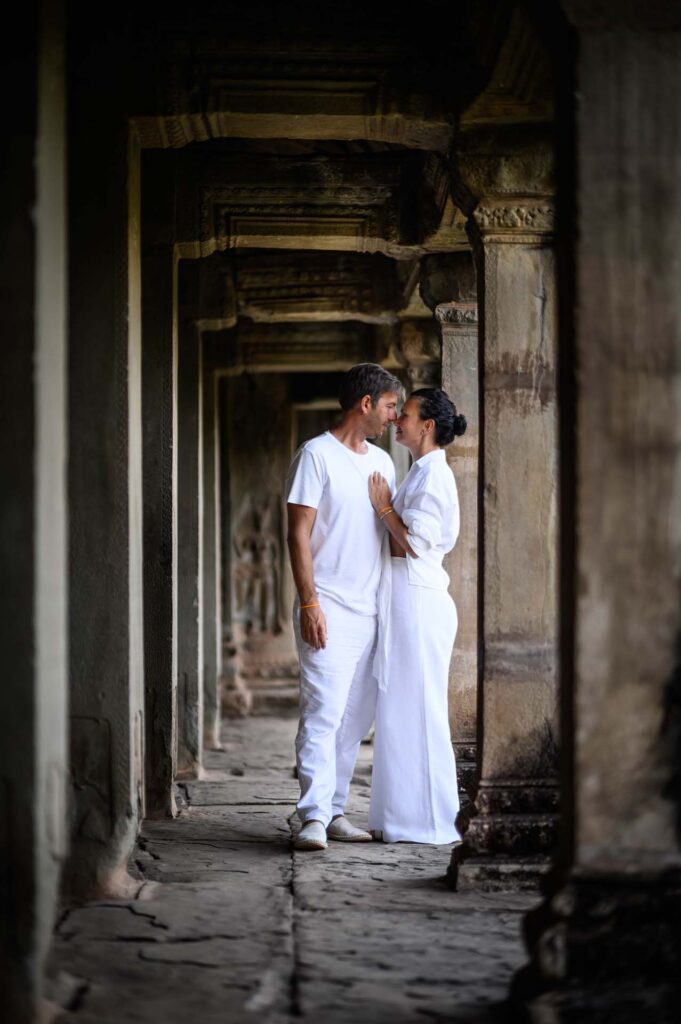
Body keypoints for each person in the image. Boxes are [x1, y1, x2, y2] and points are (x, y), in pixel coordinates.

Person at [286, 363, 403, 851]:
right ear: (366, 404)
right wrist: (310, 601)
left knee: (354, 718)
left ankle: (334, 810)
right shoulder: (315, 455)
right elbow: (297, 533)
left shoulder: (384, 463)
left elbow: (390, 532)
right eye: (391, 406)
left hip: (371, 610)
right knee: (324, 710)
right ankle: (311, 814)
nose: (395, 417)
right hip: (328, 604)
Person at [367, 388, 467, 844]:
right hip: (406, 600)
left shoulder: (434, 477)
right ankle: (402, 817)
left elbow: (415, 543)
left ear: (427, 426)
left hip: (421, 603)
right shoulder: (420, 471)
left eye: (404, 415)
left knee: (422, 710)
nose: (396, 421)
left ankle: (432, 821)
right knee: (400, 709)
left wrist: (384, 506)